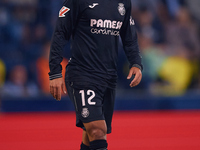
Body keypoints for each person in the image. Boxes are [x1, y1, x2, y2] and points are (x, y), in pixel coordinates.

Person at [49, 0, 143, 150]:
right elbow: (60, 32)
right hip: (82, 74)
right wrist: (55, 72)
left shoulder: (124, 2)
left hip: (109, 77)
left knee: (90, 136)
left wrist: (136, 62)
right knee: (98, 130)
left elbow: (129, 36)